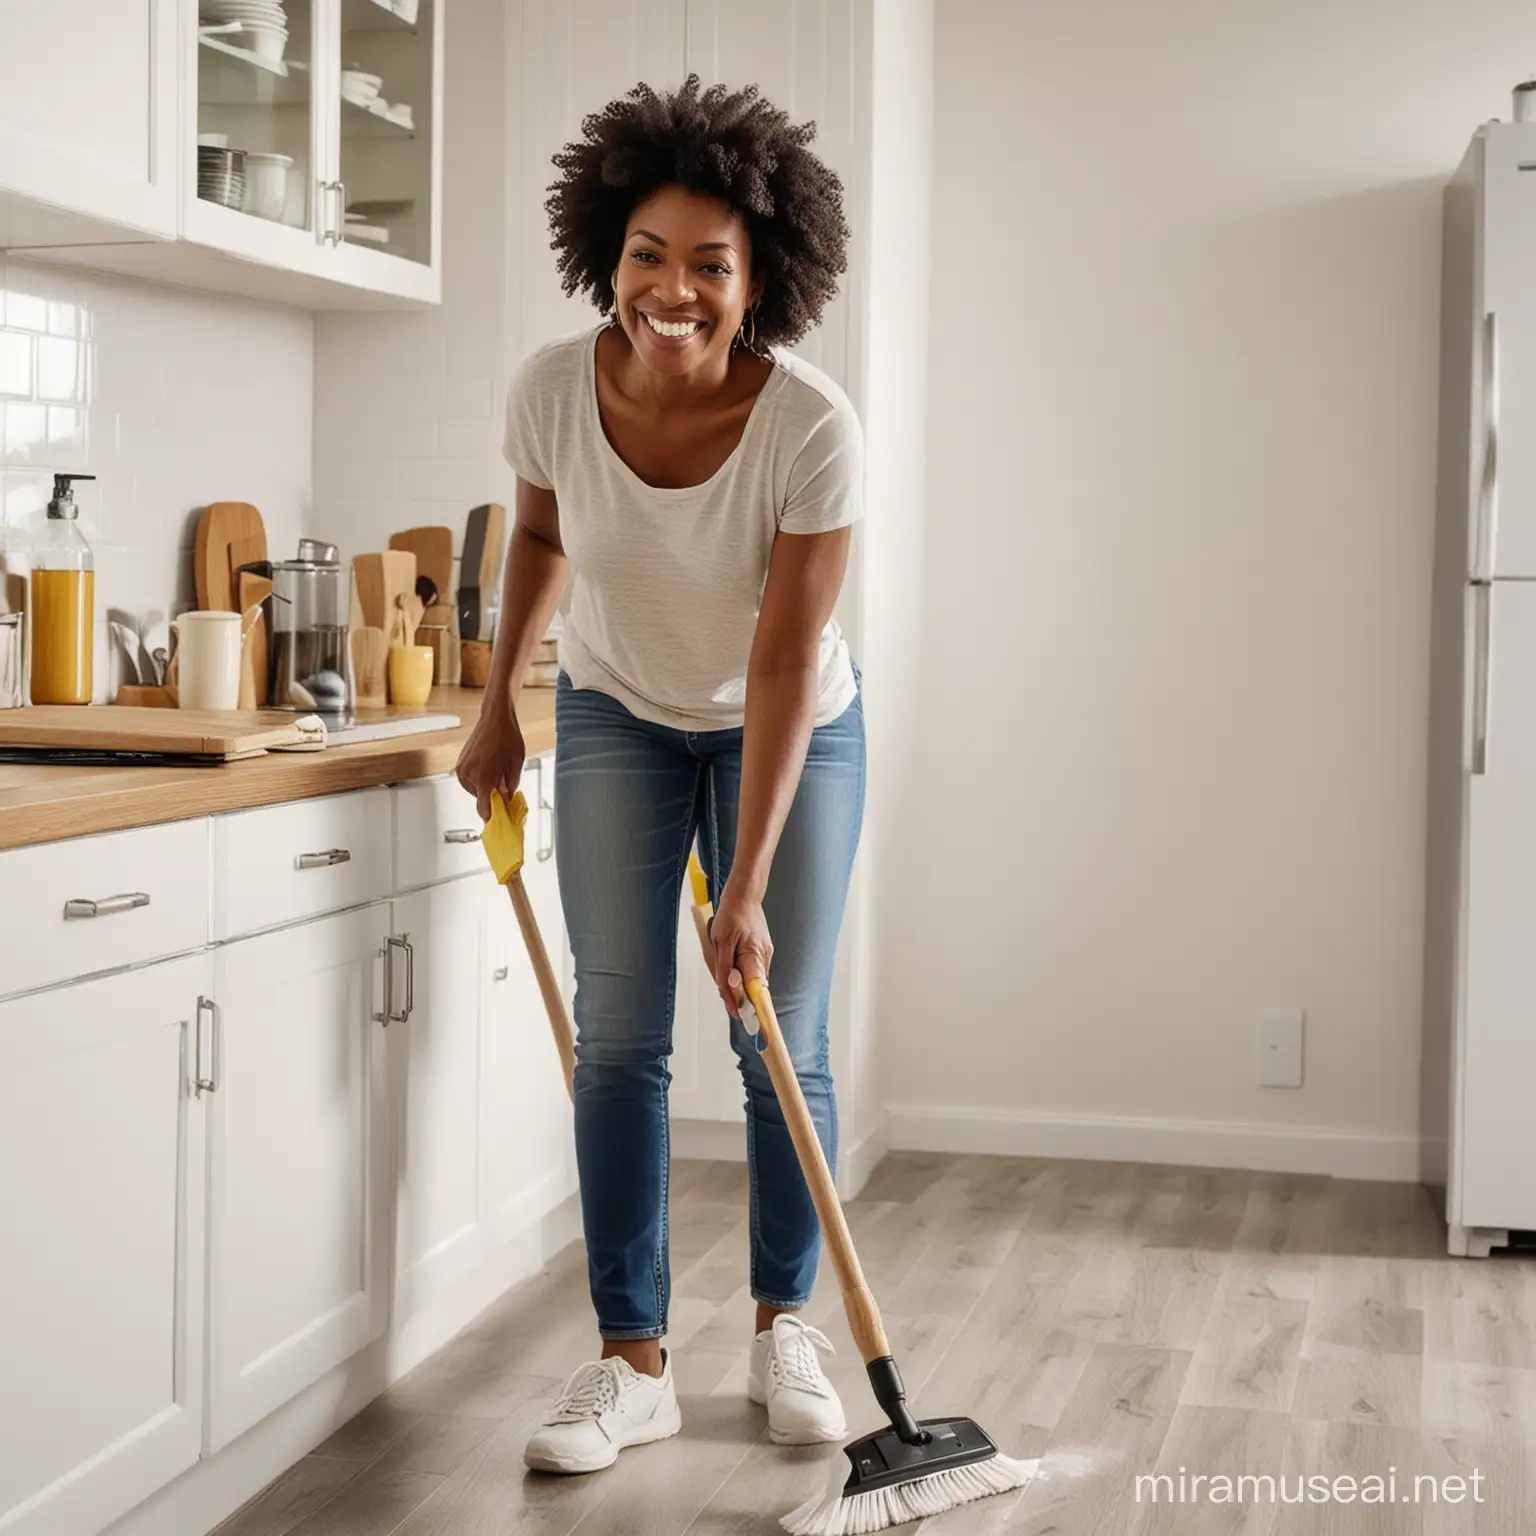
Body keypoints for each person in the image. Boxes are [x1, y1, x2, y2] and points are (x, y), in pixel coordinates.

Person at [454, 74, 865, 1476]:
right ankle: (635, 1365)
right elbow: (539, 536)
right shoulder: (551, 389)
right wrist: (501, 700)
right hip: (616, 708)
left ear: (760, 281)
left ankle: (781, 1329)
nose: (671, 290)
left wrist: (741, 885)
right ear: (605, 254)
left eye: (709, 265)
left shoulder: (812, 427)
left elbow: (782, 667)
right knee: (620, 1038)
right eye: (648, 256)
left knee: (775, 1036)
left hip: (783, 721)